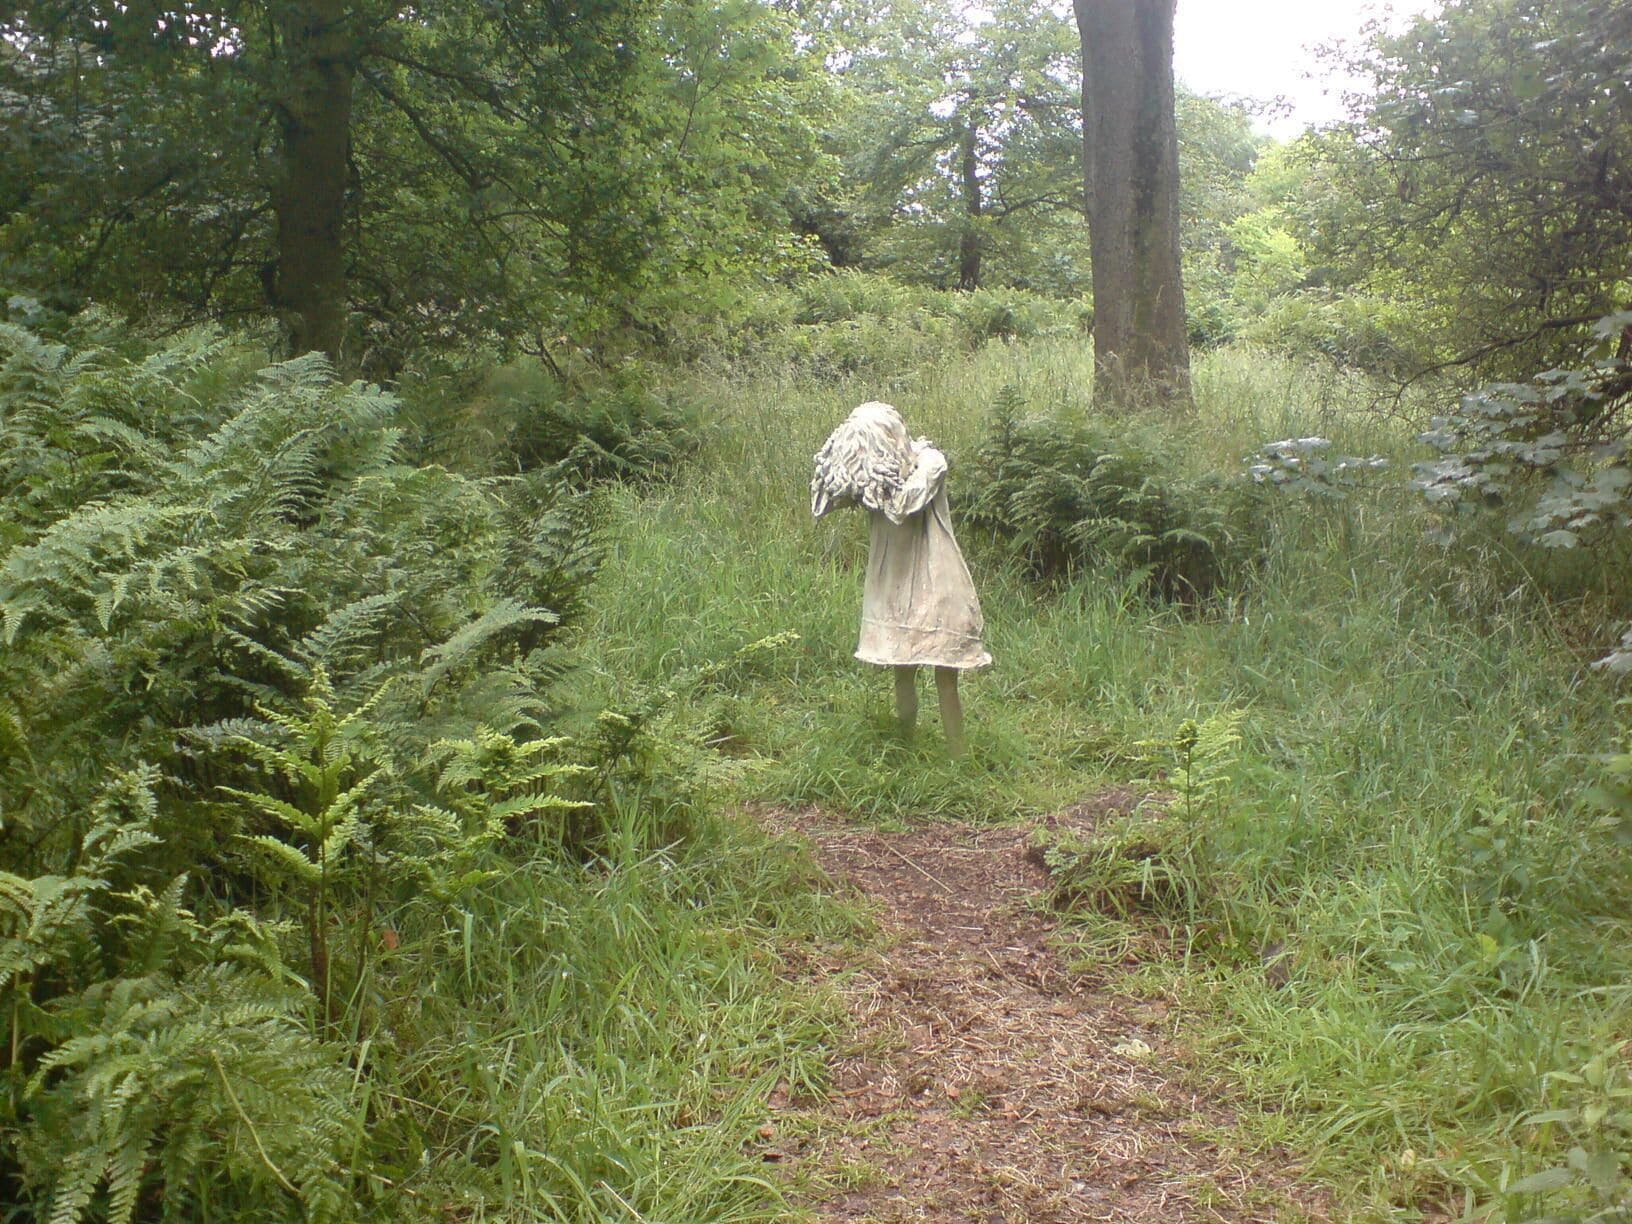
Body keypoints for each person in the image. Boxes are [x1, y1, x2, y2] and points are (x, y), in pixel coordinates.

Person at [811, 401, 991, 754]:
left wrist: (872, 478)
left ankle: (958, 756)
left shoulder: (929, 462)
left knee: (945, 672)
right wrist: (844, 468)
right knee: (903, 668)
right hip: (894, 583)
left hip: (936, 577)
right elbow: (826, 502)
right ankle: (905, 747)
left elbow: (903, 505)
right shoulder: (871, 477)